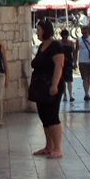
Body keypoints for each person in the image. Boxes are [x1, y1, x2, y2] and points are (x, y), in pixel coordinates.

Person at [29, 20, 67, 158]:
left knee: (52, 115)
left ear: (46, 30)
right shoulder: (41, 46)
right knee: (43, 116)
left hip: (51, 85)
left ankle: (58, 148)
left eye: (39, 29)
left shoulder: (55, 46)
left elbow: (59, 66)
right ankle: (48, 146)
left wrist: (54, 85)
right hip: (40, 86)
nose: (37, 32)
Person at [58, 28, 77, 103]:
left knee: (69, 80)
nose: (65, 39)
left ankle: (71, 95)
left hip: (69, 63)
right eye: (63, 37)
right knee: (62, 80)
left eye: (66, 37)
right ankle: (65, 95)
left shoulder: (71, 43)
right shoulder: (59, 43)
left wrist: (75, 63)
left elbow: (74, 53)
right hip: (61, 63)